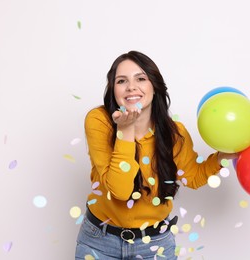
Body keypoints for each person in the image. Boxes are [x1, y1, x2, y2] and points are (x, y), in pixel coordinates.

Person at [75, 51, 238, 260]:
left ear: (155, 86)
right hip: (99, 243)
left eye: (141, 79)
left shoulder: (174, 133)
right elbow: (120, 191)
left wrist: (222, 156)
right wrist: (125, 130)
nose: (131, 87)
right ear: (113, 90)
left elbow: (193, 176)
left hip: (155, 245)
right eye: (122, 81)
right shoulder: (100, 121)